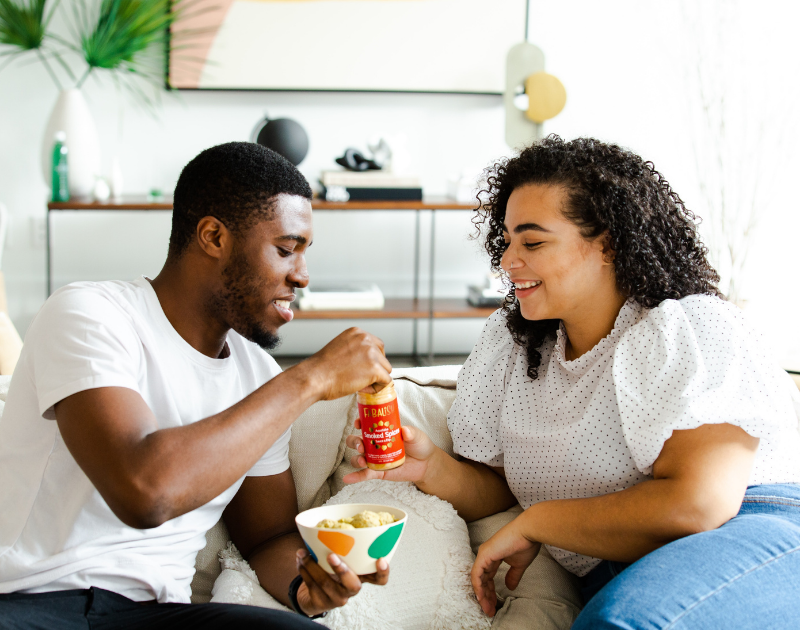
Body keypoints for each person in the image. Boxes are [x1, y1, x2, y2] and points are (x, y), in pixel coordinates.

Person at [344, 136, 800, 628]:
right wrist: (431, 467)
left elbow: (699, 505)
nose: (507, 261)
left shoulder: (686, 327)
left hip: (745, 534)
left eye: (533, 242)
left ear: (607, 243)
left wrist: (540, 522)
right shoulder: (512, 348)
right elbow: (497, 487)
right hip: (616, 573)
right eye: (507, 242)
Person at [0, 142, 394, 629]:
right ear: (213, 236)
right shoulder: (90, 314)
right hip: (34, 602)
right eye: (286, 250)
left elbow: (268, 536)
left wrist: (308, 581)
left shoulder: (258, 377)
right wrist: (312, 377)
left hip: (160, 615)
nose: (303, 275)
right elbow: (144, 491)